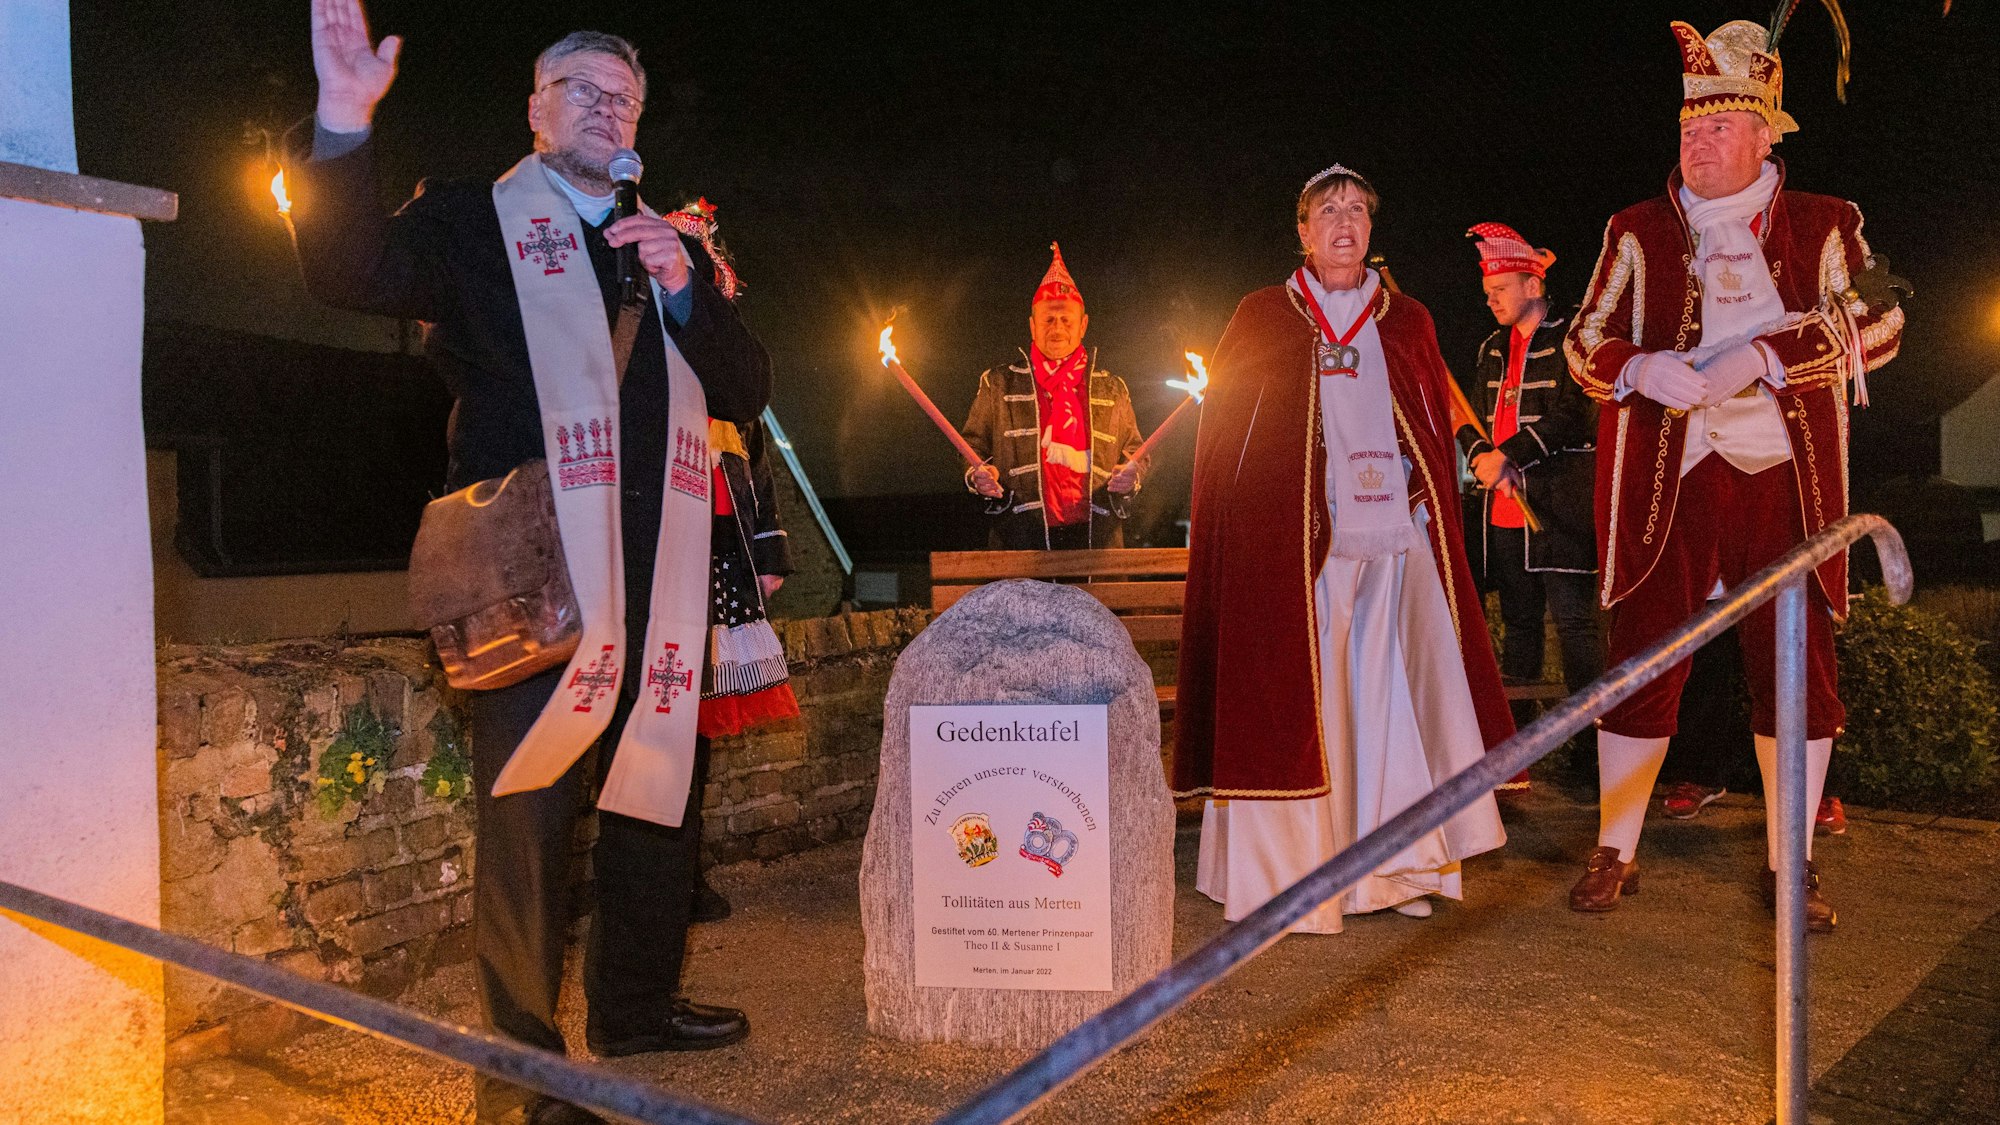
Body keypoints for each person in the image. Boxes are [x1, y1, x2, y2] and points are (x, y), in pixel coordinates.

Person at [291, 6, 770, 1121]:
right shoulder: (470, 218)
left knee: (659, 790)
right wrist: (342, 125)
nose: (606, 109)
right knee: (530, 804)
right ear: (536, 108)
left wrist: (688, 287)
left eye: (623, 98)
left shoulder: (671, 243)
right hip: (533, 566)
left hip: (659, 553)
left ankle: (638, 1007)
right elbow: (344, 270)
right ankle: (521, 1072)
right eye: (582, 90)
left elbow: (745, 388)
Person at [1562, 19, 1902, 931]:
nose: (1696, 141)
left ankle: (1791, 863)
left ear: (1764, 134)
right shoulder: (1633, 229)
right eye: (1688, 128)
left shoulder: (1829, 222)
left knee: (1796, 672)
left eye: (1717, 128)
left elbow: (1882, 320)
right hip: (1671, 477)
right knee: (1640, 660)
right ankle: (1616, 849)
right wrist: (1637, 368)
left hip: (1784, 478)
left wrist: (1767, 353)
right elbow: (1583, 342)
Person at [1174, 166, 1512, 933]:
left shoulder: (1407, 320)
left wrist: (1423, 496)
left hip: (1390, 539)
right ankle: (1290, 880)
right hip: (1293, 547)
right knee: (1298, 704)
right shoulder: (1262, 316)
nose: (1345, 222)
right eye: (1328, 211)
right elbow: (1228, 445)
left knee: (1383, 697)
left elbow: (1428, 428)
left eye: (1358, 209)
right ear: (1302, 230)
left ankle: (1391, 869)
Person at [1457, 224, 1603, 769]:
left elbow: (1574, 415)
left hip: (1559, 506)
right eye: (1488, 288)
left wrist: (1511, 455)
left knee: (1574, 629)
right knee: (1518, 628)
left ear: (1532, 284)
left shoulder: (1572, 341)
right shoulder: (1491, 348)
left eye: (1500, 286)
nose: (1490, 297)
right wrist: (1480, 456)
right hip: (1503, 510)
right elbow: (1468, 416)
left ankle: (1590, 757)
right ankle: (1515, 756)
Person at [959, 244, 1147, 549]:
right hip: (1020, 541)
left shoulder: (1112, 388)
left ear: (1083, 325)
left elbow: (1136, 452)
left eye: (1066, 320)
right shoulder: (998, 384)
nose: (1057, 328)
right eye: (1048, 319)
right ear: (1032, 326)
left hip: (1095, 546)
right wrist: (976, 474)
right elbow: (972, 446)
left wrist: (1132, 476)